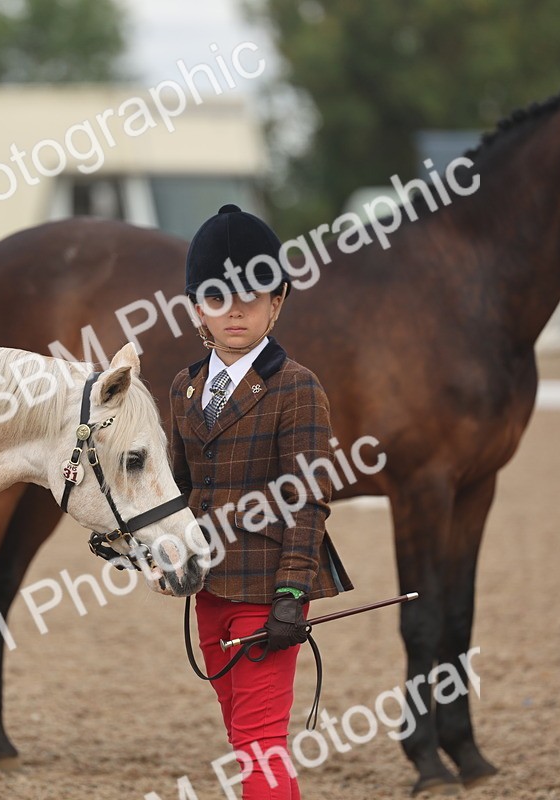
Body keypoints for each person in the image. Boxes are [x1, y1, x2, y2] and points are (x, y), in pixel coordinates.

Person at [169, 204, 352, 799]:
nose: (236, 309)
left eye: (254, 294)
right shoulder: (185, 387)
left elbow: (309, 501)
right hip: (209, 592)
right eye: (219, 297)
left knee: (259, 741)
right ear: (199, 307)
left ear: (278, 302)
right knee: (245, 739)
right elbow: (177, 489)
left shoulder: (296, 386)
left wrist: (295, 595)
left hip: (268, 590)